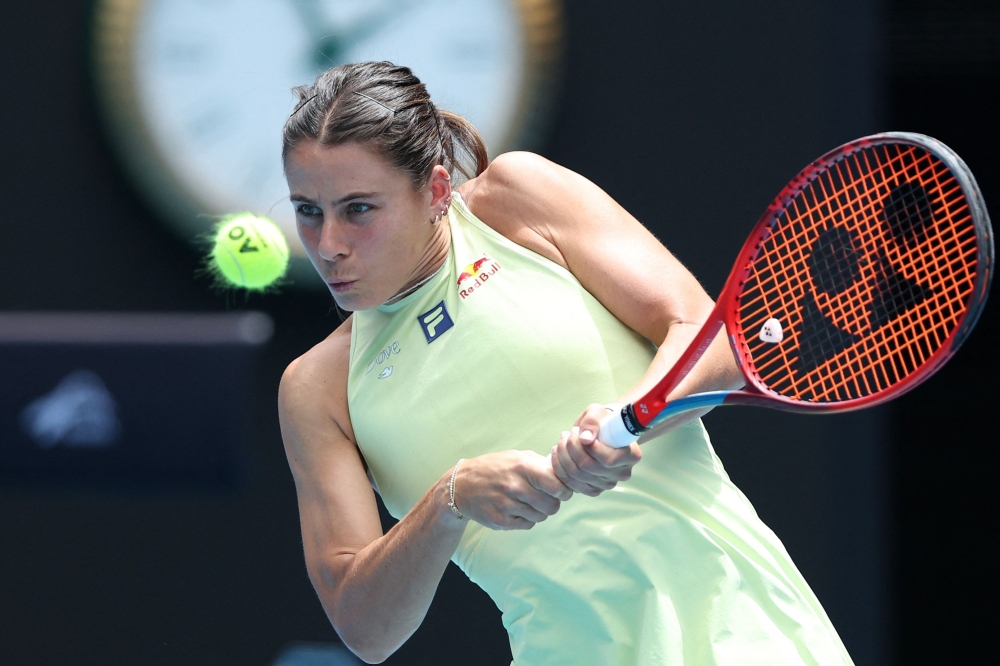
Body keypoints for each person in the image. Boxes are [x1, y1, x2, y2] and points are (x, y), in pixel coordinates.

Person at [277, 61, 854, 665]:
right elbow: (365, 627)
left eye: (359, 209)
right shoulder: (316, 389)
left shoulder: (517, 200)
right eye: (308, 210)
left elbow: (712, 335)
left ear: (437, 191)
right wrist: (450, 499)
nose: (329, 243)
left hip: (744, 626)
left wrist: (630, 418)